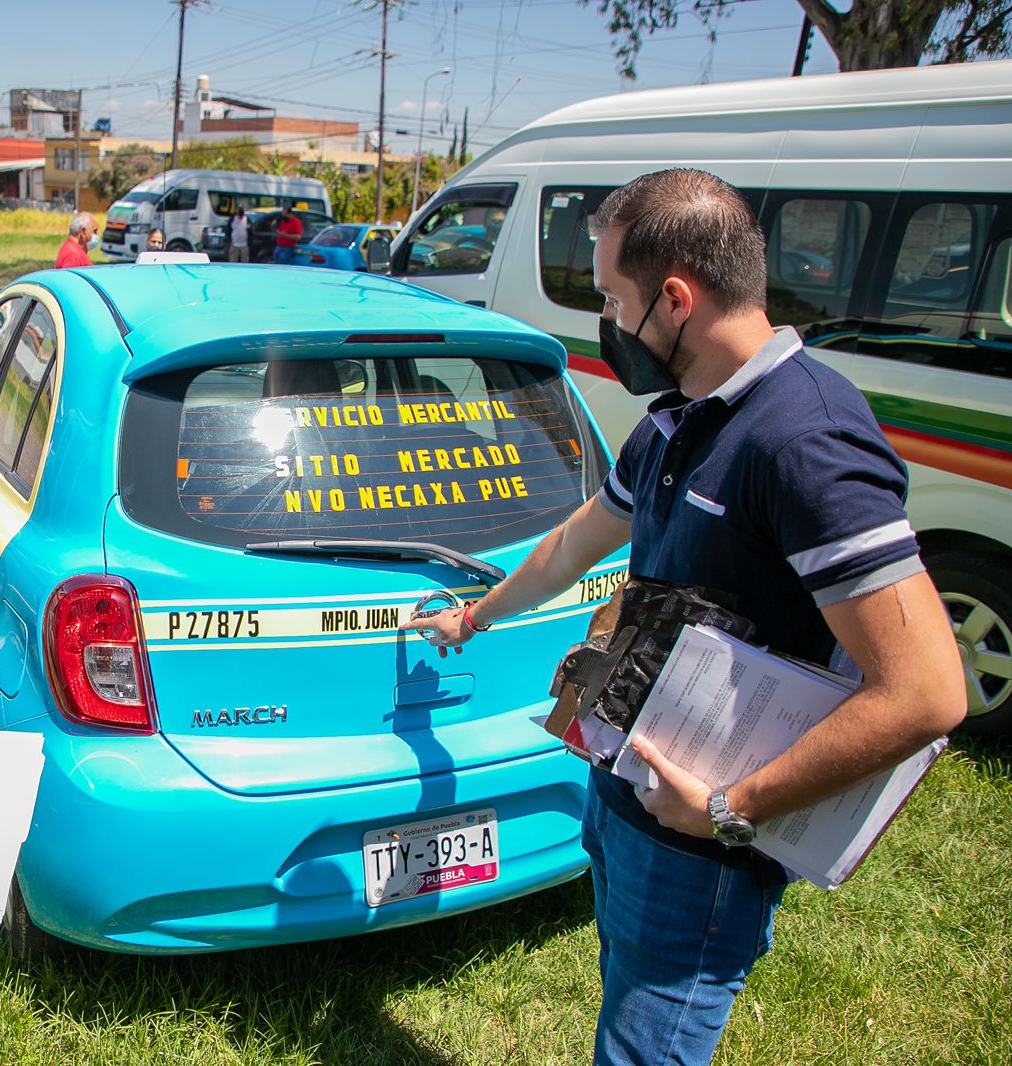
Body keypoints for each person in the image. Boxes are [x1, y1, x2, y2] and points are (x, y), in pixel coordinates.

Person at [404, 168, 964, 1066]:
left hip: (699, 846)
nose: (611, 326)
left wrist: (729, 809)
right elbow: (580, 541)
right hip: (625, 794)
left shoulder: (806, 439)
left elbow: (928, 694)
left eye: (617, 300)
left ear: (675, 298)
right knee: (627, 1004)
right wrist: (478, 615)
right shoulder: (676, 419)